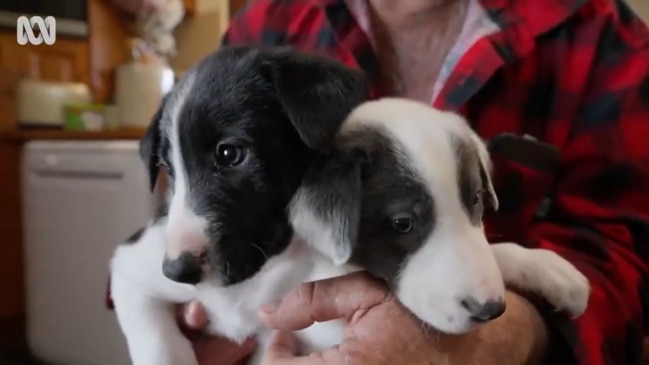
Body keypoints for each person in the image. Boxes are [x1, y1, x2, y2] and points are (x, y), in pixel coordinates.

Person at [172, 0, 649, 364]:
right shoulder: (269, 25)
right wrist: (188, 319)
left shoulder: (600, 34)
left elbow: (630, 265)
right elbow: (184, 209)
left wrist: (500, 339)